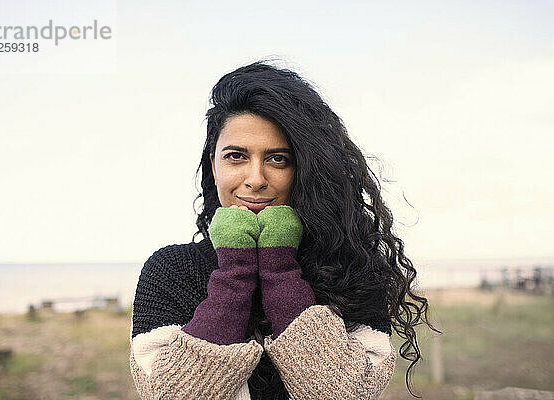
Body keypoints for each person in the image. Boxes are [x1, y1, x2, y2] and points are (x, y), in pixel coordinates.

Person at [129, 60, 437, 400]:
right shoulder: (171, 271)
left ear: (304, 168)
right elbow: (167, 394)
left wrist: (279, 270)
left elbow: (348, 394)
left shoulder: (351, 269)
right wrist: (235, 273)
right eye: (235, 156)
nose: (256, 179)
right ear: (212, 165)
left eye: (278, 159)